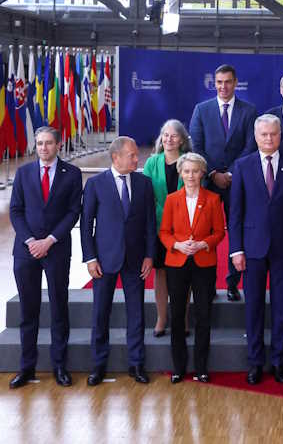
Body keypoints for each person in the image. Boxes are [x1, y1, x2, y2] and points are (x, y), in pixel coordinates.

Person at [228, 115, 283, 385]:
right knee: (253, 308)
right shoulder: (242, 166)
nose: (269, 139)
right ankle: (255, 363)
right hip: (252, 249)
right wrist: (235, 250)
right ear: (256, 135)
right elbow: (235, 212)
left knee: (282, 308)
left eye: (273, 134)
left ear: (280, 136)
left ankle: (278, 362)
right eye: (264, 135)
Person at [8, 126, 83, 389]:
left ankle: (60, 366)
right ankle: (26, 368)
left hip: (57, 248)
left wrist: (49, 240)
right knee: (28, 311)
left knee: (59, 308)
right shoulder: (23, 173)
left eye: (48, 143)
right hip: (26, 251)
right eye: (39, 143)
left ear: (59, 145)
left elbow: (74, 212)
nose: (43, 148)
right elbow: (16, 211)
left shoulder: (72, 174)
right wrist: (31, 241)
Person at [81, 136, 156, 386]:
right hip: (104, 260)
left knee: (137, 314)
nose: (137, 159)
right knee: (100, 313)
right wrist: (90, 258)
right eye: (132, 155)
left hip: (136, 260)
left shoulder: (144, 184)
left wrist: (149, 255)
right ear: (116, 157)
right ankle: (97, 366)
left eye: (136, 154)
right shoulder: (95, 184)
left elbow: (149, 224)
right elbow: (86, 225)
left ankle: (136, 364)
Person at [190, 63, 257, 300]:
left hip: (237, 183)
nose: (223, 86)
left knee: (236, 232)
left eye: (228, 81)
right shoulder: (201, 109)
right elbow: (196, 147)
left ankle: (231, 283)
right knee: (203, 234)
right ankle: (205, 285)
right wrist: (213, 174)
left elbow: (251, 146)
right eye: (219, 82)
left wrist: (231, 174)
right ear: (213, 84)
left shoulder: (249, 111)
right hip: (208, 182)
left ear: (235, 82)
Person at [158, 153, 225, 383]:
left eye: (195, 171)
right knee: (177, 315)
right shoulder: (171, 199)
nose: (191, 176)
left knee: (203, 316)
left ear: (202, 173)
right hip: (177, 263)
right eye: (186, 171)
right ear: (180, 173)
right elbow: (164, 232)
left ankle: (201, 368)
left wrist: (203, 244)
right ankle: (179, 367)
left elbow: (219, 232)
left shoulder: (213, 199)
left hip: (203, 263)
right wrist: (177, 244)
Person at [142, 119, 190, 337]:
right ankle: (162, 317)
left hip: (185, 226)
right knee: (160, 273)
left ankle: (183, 318)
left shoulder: (190, 161)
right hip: (158, 225)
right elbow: (146, 196)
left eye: (174, 135)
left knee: (182, 274)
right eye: (165, 135)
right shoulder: (152, 163)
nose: (169, 139)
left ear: (182, 139)